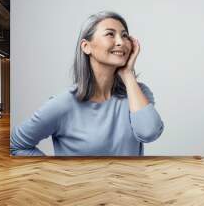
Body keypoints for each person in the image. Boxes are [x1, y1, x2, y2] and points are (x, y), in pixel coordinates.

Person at [10, 11, 164, 156]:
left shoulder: (137, 92)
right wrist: (55, 172)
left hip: (133, 185)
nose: (121, 42)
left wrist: (127, 74)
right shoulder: (64, 103)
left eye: (124, 36)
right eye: (110, 34)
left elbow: (149, 133)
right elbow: (16, 145)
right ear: (86, 46)